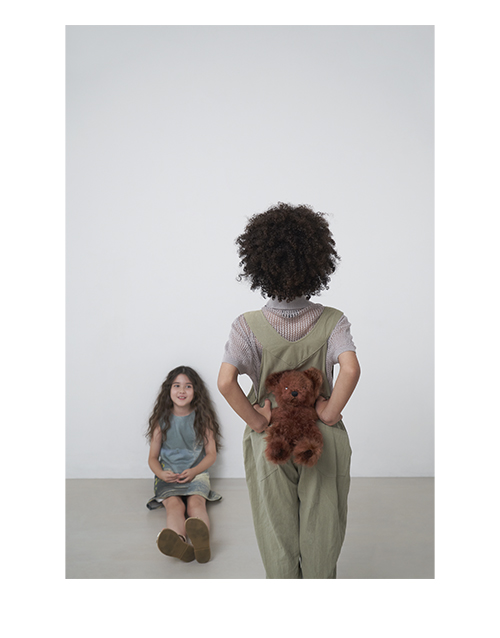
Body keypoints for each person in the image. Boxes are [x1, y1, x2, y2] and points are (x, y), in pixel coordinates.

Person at [218, 202, 361, 579]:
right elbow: (350, 369)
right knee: (323, 524)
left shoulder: (246, 325)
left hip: (271, 438)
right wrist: (328, 413)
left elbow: (225, 382)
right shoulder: (333, 321)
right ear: (317, 264)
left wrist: (258, 422)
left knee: (275, 527)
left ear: (259, 265)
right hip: (321, 437)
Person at [145, 365, 222, 563]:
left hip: (197, 473)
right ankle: (178, 542)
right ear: (168, 390)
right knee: (174, 505)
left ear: (196, 391)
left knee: (196, 503)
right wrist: (161, 474)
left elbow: (211, 455)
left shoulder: (203, 418)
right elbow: (152, 458)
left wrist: (195, 470)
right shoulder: (161, 420)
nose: (182, 391)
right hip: (168, 474)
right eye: (177, 385)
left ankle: (201, 543)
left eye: (188, 386)